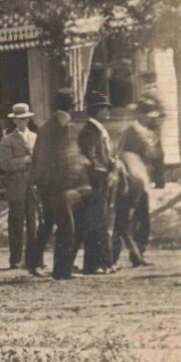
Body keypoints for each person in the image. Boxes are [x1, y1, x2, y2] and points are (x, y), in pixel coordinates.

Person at [29, 92, 85, 280]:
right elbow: (62, 159)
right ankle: (62, 270)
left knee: (47, 224)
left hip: (46, 184)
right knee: (66, 227)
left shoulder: (45, 126)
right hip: (57, 185)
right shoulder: (60, 127)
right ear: (70, 108)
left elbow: (38, 157)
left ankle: (32, 262)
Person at [114, 98, 161, 266]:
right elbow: (124, 156)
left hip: (142, 176)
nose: (149, 118)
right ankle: (116, 256)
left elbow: (150, 157)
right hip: (132, 178)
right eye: (147, 115)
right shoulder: (131, 132)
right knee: (125, 217)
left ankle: (138, 254)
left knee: (142, 218)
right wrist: (134, 179)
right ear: (139, 114)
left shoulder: (145, 132)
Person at [0, 103, 40, 270]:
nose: (22, 122)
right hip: (16, 184)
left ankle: (34, 258)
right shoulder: (7, 139)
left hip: (33, 184)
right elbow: (4, 163)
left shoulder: (36, 137)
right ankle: (15, 258)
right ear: (14, 121)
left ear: (29, 118)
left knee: (33, 222)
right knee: (16, 221)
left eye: (25, 118)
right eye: (19, 119)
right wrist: (24, 161)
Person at [76, 91, 115, 274]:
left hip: (102, 181)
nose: (108, 112)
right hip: (95, 183)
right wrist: (103, 172)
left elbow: (103, 154)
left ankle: (100, 263)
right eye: (105, 108)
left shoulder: (99, 130)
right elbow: (89, 156)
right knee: (97, 223)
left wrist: (112, 163)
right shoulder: (90, 131)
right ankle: (98, 264)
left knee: (100, 222)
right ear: (97, 110)